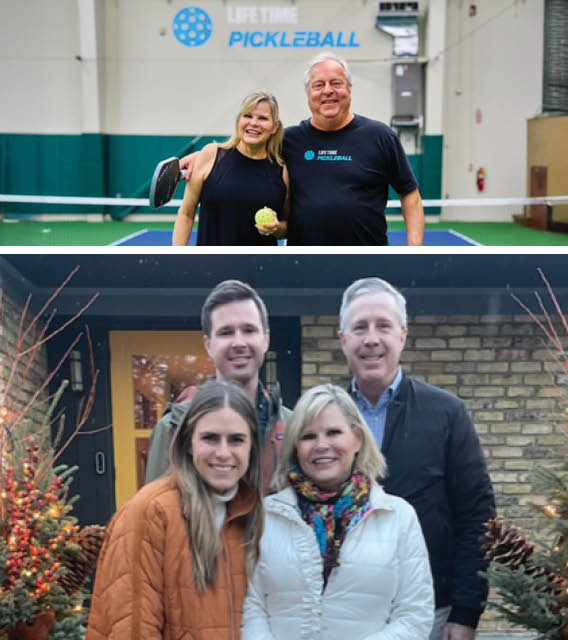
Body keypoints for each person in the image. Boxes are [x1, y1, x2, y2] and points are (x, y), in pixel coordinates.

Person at [338, 277, 496, 640]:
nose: (371, 338)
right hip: (346, 614)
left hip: (430, 613)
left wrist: (466, 611)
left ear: (403, 336)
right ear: (343, 339)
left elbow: (477, 515)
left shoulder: (447, 413)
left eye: (383, 326)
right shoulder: (323, 418)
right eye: (359, 327)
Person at [242, 384, 434, 639]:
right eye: (308, 436)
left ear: (357, 439)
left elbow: (415, 614)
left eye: (333, 433)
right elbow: (251, 606)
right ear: (295, 446)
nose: (321, 445)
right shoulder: (266, 516)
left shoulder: (398, 516)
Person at [183, 52, 425, 246]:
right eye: (318, 85)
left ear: (349, 89)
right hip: (302, 262)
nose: (327, 90)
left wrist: (415, 252)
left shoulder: (380, 136)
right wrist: (202, 157)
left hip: (368, 262)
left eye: (336, 83)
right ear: (309, 95)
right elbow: (245, 149)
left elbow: (410, 195)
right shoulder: (288, 140)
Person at [87, 381, 264, 639]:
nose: (223, 453)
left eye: (236, 440)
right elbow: (132, 629)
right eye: (210, 438)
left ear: (251, 447)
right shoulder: (150, 511)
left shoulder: (252, 514)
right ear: (189, 443)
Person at [145, 279, 290, 488]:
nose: (239, 343)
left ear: (265, 339)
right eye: (226, 332)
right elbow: (154, 514)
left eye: (249, 330)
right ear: (208, 345)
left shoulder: (292, 426)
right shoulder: (174, 427)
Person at [172, 91, 289, 246]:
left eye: (263, 118)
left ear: (274, 127)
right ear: (238, 120)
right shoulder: (210, 154)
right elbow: (186, 214)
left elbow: (287, 227)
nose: (254, 123)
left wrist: (275, 228)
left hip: (260, 267)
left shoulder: (282, 170)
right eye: (247, 116)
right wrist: (178, 258)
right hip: (211, 266)